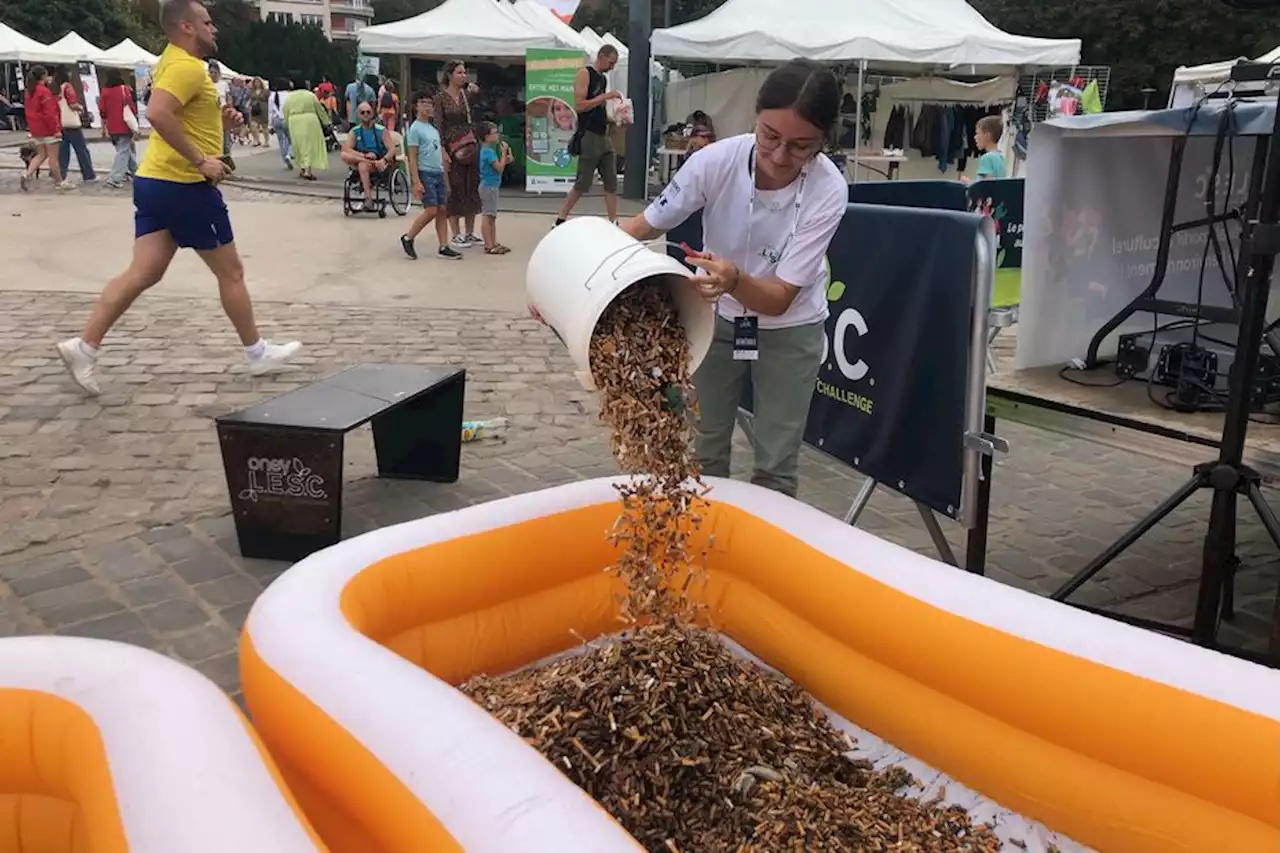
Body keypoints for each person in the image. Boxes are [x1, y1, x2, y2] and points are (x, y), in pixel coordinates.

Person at [618, 59, 845, 498]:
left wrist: (735, 279)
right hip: (716, 318)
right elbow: (645, 225)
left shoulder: (828, 189)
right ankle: (703, 546)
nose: (780, 158)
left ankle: (762, 557)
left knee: (777, 463)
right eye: (769, 137)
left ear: (823, 140)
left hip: (790, 328)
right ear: (754, 119)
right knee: (703, 450)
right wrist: (570, 267)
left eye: (802, 147)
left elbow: (779, 298)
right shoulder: (715, 161)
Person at [55, 0, 301, 397]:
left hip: (156, 181)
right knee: (231, 272)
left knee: (145, 272)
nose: (214, 28)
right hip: (183, 185)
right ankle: (257, 353)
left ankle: (84, 347)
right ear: (186, 27)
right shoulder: (187, 66)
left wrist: (217, 124)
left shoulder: (172, 60)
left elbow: (177, 114)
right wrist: (200, 159)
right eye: (207, 22)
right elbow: (158, 113)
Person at [554, 45, 621, 228]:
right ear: (602, 56)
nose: (612, 67)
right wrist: (604, 97)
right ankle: (560, 219)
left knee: (611, 180)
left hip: (602, 133)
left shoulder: (602, 79)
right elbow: (580, 105)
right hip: (589, 134)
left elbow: (597, 107)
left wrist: (613, 118)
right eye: (611, 62)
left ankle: (613, 221)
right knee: (582, 182)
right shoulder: (585, 73)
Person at [401, 92, 460, 261]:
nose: (427, 106)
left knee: (442, 210)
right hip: (425, 171)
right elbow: (412, 156)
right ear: (416, 106)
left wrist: (445, 178)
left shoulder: (433, 129)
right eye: (423, 102)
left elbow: (439, 153)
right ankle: (408, 237)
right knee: (431, 210)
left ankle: (443, 245)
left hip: (438, 171)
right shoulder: (415, 129)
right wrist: (416, 180)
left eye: (429, 103)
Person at [434, 60, 482, 249]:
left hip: (468, 143)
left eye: (464, 72)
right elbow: (438, 124)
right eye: (460, 72)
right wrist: (443, 150)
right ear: (450, 75)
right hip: (451, 145)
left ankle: (469, 232)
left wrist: (476, 92)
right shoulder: (440, 97)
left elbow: (477, 108)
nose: (464, 76)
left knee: (471, 186)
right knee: (455, 187)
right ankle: (456, 233)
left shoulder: (466, 94)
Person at [19, 66, 69, 192]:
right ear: (43, 76)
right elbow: (49, 113)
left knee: (41, 155)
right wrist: (56, 129)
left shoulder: (29, 91)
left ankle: (27, 174)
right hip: (47, 128)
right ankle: (60, 181)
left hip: (36, 128)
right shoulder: (44, 92)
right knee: (53, 157)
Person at [340, 101, 395, 210]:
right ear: (358, 115)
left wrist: (384, 160)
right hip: (364, 158)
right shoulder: (354, 131)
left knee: (362, 165)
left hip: (378, 162)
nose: (365, 114)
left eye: (368, 112)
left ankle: (368, 197)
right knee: (344, 154)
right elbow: (347, 149)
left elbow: (391, 149)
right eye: (362, 112)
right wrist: (364, 156)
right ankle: (365, 160)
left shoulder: (381, 130)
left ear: (372, 113)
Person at [98, 69, 139, 188]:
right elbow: (131, 106)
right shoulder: (123, 89)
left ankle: (136, 173)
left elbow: (102, 111)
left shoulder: (104, 91)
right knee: (124, 151)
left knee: (125, 150)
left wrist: (103, 127)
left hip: (112, 126)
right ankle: (115, 177)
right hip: (124, 124)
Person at [284, 80, 331, 181]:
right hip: (310, 120)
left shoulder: (289, 97)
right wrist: (326, 121)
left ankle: (302, 168)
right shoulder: (310, 95)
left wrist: (287, 124)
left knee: (298, 145)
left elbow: (285, 110)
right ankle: (308, 171)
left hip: (294, 120)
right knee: (309, 145)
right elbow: (319, 109)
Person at [56, 69, 96, 183]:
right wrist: (81, 108)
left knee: (63, 152)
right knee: (82, 150)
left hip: (61, 123)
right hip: (72, 124)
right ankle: (88, 175)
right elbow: (72, 104)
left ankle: (60, 174)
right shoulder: (67, 86)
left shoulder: (56, 88)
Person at [477, 122, 511, 255]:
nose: (497, 135)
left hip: (491, 185)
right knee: (488, 215)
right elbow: (499, 168)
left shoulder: (487, 151)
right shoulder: (488, 152)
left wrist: (506, 158)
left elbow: (498, 165)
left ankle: (493, 241)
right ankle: (488, 244)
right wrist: (503, 153)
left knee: (492, 216)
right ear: (486, 136)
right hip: (488, 186)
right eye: (494, 133)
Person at [268, 77, 293, 170]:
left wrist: (270, 125)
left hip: (276, 119)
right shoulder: (290, 95)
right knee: (292, 139)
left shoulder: (272, 96)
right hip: (287, 118)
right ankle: (289, 154)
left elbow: (270, 112)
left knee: (282, 140)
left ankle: (285, 158)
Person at [973, 115, 1007, 181]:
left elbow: (985, 187)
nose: (975, 137)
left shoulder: (986, 158)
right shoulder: (1000, 157)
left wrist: (968, 183)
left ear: (988, 135)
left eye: (977, 133)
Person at [207, 59, 230, 154]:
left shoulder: (224, 84)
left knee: (225, 143)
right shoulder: (206, 84)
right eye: (211, 72)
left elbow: (229, 98)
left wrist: (230, 109)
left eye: (215, 72)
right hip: (210, 114)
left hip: (223, 113)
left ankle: (227, 159)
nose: (213, 74)